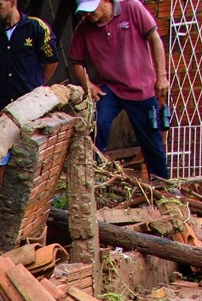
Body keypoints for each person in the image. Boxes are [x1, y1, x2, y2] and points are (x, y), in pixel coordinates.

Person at [69, 0, 171, 180]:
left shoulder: (132, 8)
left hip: (141, 86)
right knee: (98, 124)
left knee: (152, 141)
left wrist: (161, 76)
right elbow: (75, 62)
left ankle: (163, 185)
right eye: (83, 12)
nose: (86, 15)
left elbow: (155, 39)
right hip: (110, 87)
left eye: (90, 10)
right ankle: (96, 176)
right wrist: (88, 84)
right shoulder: (83, 28)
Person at [0, 0, 59, 186]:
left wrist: (39, 86)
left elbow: (52, 59)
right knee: (0, 158)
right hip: (2, 106)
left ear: (12, 2)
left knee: (34, 155)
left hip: (31, 107)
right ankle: (2, 202)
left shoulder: (36, 27)